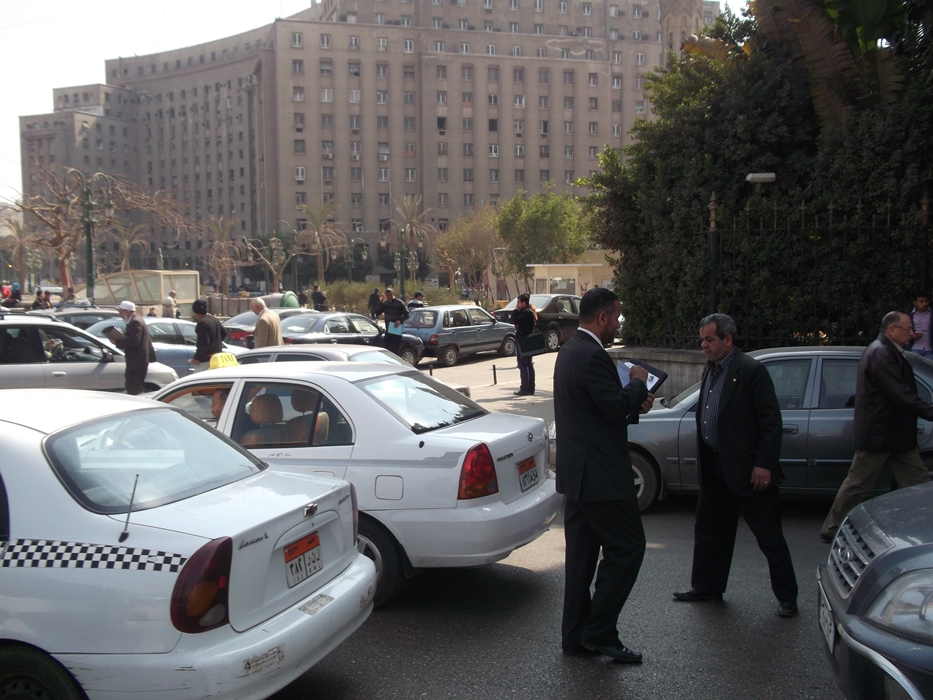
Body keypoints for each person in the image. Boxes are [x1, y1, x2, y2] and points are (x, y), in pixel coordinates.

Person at [673, 313, 799, 618]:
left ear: (728, 339)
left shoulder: (751, 371)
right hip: (714, 466)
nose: (703, 345)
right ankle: (707, 586)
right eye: (702, 339)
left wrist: (763, 464)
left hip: (748, 469)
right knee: (709, 530)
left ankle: (787, 597)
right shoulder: (710, 369)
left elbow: (771, 422)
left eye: (709, 339)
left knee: (768, 536)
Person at [554, 287, 652, 662]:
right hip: (601, 478)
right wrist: (638, 382)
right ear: (602, 318)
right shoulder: (592, 355)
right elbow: (612, 407)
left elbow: (599, 410)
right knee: (628, 549)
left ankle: (575, 636)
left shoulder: (569, 350)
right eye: (616, 317)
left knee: (580, 561)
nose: (618, 324)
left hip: (579, 476)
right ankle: (599, 633)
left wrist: (635, 402)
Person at [820, 310, 933, 541]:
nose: (911, 333)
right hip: (880, 435)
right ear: (892, 329)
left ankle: (927, 526)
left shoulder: (886, 351)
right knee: (858, 485)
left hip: (892, 436)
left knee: (918, 482)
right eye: (907, 329)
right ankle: (831, 529)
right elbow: (901, 395)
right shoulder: (882, 354)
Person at [112, 300, 156, 395]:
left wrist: (117, 342)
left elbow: (134, 341)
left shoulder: (136, 322)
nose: (120, 315)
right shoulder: (134, 320)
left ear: (127, 311)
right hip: (136, 361)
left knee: (134, 389)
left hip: (137, 362)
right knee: (133, 387)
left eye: (121, 312)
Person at [190, 299, 228, 372]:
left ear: (195, 311)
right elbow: (224, 333)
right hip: (217, 359)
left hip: (206, 361)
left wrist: (196, 358)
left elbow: (204, 343)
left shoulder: (202, 323)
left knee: (199, 378)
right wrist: (215, 343)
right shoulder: (214, 319)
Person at [511, 293, 537, 396]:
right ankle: (530, 387)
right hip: (525, 341)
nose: (517, 305)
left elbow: (515, 320)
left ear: (524, 303)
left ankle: (526, 388)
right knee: (528, 364)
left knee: (524, 365)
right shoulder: (527, 312)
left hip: (524, 341)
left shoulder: (526, 312)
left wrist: (515, 311)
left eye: (519, 302)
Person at [375, 287, 409, 357]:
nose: (389, 297)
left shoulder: (399, 303)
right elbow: (377, 313)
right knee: (387, 348)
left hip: (396, 328)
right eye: (387, 295)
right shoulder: (385, 303)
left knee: (395, 349)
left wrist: (400, 320)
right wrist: (380, 303)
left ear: (393, 294)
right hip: (388, 328)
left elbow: (407, 314)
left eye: (390, 295)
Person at [909, 293, 933, 359]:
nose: (924, 303)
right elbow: (904, 330)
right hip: (915, 347)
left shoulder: (931, 313)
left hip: (930, 348)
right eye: (921, 301)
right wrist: (912, 336)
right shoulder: (910, 315)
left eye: (926, 301)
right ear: (915, 303)